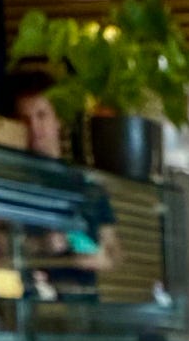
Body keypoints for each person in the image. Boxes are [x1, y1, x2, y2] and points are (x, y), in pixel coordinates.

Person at [7, 69, 119, 289]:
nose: (34, 127)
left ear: (58, 119)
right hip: (32, 300)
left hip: (81, 300)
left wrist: (99, 258)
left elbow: (113, 250)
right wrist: (40, 245)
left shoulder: (85, 183)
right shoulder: (13, 181)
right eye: (25, 119)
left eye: (42, 115)